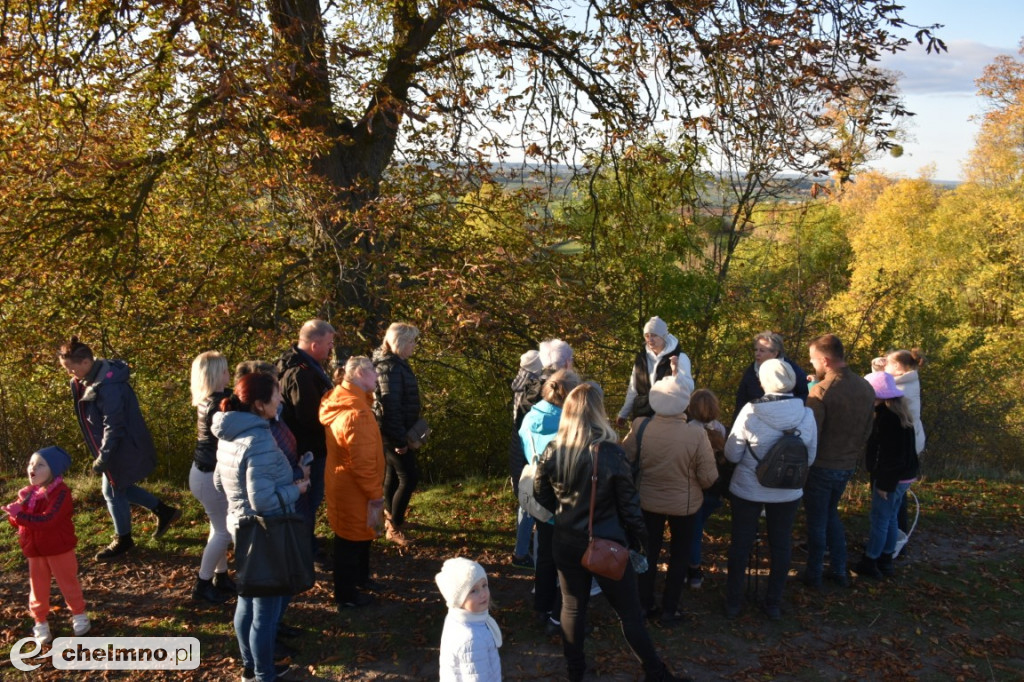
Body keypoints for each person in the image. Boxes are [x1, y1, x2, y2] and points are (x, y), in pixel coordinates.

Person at [534, 382, 690, 682]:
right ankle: (656, 674)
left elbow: (542, 495)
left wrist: (565, 515)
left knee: (572, 607)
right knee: (629, 613)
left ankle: (575, 673)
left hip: (566, 541)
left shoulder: (554, 449)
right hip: (606, 543)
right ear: (598, 411)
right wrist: (640, 542)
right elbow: (630, 507)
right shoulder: (610, 453)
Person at [213, 371, 309, 682]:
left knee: (247, 601)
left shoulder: (229, 432)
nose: (280, 399)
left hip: (241, 526)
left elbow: (219, 482)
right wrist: (297, 489)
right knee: (265, 612)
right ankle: (263, 675)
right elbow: (265, 500)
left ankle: (250, 668)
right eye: (276, 394)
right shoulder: (259, 440)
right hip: (266, 532)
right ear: (259, 403)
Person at [59, 336, 180, 561]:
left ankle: (124, 539)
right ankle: (164, 511)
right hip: (117, 444)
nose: (69, 373)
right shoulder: (93, 378)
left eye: (71, 368)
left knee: (112, 491)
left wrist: (104, 456)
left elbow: (113, 424)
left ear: (86, 362)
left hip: (121, 445)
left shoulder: (109, 386)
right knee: (120, 487)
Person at [622, 368, 718, 626]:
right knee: (679, 555)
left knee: (648, 553)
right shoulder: (695, 434)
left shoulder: (640, 426)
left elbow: (626, 459)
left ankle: (644, 604)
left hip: (647, 500)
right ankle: (669, 609)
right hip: (685, 504)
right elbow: (708, 477)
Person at [724, 359, 817, 620]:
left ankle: (733, 602)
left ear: (763, 381)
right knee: (781, 544)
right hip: (788, 491)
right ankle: (773, 603)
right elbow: (810, 458)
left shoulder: (751, 411)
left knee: (740, 544)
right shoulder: (806, 414)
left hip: (748, 487)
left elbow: (732, 454)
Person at [802, 334, 876, 588]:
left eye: (813, 360)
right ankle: (839, 569)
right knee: (830, 515)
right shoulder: (865, 387)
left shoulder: (823, 391)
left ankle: (814, 574)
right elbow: (868, 429)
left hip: (822, 464)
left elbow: (811, 434)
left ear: (825, 360)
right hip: (846, 464)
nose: (812, 365)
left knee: (817, 521)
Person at [3, 446, 91, 644]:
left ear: (54, 470)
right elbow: (21, 522)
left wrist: (20, 515)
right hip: (34, 550)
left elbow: (48, 520)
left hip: (59, 548)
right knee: (38, 588)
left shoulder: (61, 493)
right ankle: (40, 621)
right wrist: (14, 516)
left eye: (40, 465)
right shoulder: (27, 494)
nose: (32, 468)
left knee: (68, 583)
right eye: (31, 463)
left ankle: (79, 614)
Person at [518, 368, 581, 633]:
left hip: (539, 494)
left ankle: (541, 607)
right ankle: (561, 612)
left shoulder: (530, 417)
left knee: (545, 553)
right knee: (567, 558)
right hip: (565, 496)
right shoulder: (570, 425)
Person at [320, 356, 386, 609]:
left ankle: (361, 579)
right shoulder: (357, 413)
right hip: (355, 489)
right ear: (359, 374)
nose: (377, 377)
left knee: (360, 534)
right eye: (373, 372)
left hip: (343, 484)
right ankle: (346, 595)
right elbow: (362, 463)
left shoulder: (342, 399)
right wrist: (375, 493)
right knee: (349, 540)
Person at [276, 320, 336, 563]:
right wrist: (334, 421)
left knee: (308, 501)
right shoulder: (301, 373)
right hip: (308, 451)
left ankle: (306, 543)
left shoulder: (306, 366)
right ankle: (305, 551)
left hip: (309, 447)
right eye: (329, 343)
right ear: (314, 345)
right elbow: (309, 417)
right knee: (308, 501)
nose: (331, 348)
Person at [854, 372, 920, 579]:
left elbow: (892, 455)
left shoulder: (887, 419)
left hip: (891, 478)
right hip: (903, 476)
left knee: (880, 519)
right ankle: (886, 558)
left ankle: (871, 559)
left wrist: (884, 483)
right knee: (890, 517)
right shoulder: (900, 415)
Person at [189, 351, 235, 604]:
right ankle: (202, 583)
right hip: (209, 475)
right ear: (217, 374)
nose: (229, 374)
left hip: (203, 472)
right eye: (225, 370)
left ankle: (220, 576)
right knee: (223, 531)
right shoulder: (218, 404)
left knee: (217, 528)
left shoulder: (209, 399)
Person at [373, 322, 423, 546]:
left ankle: (392, 519)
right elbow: (390, 407)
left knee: (393, 475)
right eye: (411, 341)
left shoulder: (395, 364)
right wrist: (399, 439)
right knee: (408, 477)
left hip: (396, 430)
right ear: (400, 342)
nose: (414, 346)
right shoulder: (390, 368)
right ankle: (394, 525)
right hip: (393, 432)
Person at [684, 388, 729, 589]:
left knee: (692, 532)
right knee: (696, 528)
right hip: (714, 490)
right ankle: (690, 566)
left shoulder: (688, 430)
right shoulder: (721, 430)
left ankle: (693, 570)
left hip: (695, 489)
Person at [435, 557, 503, 682]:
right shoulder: (472, 638)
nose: (483, 593)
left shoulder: (456, 618)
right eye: (473, 591)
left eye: (484, 585)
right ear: (458, 600)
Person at [616, 316, 693, 427]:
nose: (650, 340)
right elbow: (633, 388)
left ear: (664, 336)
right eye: (647, 336)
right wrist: (624, 413)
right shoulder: (641, 358)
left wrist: (675, 372)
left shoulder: (680, 357)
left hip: (669, 418)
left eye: (654, 335)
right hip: (643, 417)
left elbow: (689, 388)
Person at [885, 349, 926, 541]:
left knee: (894, 498)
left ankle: (894, 541)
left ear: (897, 367)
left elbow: (879, 388)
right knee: (898, 495)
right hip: (911, 442)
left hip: (903, 446)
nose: (884, 366)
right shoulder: (908, 380)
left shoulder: (900, 387)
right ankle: (894, 539)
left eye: (887, 363)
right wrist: (879, 365)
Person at [510, 349, 545, 568]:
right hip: (527, 450)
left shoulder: (519, 383)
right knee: (529, 502)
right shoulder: (531, 390)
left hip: (519, 447)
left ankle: (522, 548)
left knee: (526, 499)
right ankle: (522, 552)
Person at [734, 331, 809, 419]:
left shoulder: (789, 370)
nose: (757, 353)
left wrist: (792, 410)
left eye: (762, 350)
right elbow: (741, 401)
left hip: (789, 418)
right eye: (756, 350)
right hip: (757, 420)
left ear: (775, 353)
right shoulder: (751, 371)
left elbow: (806, 393)